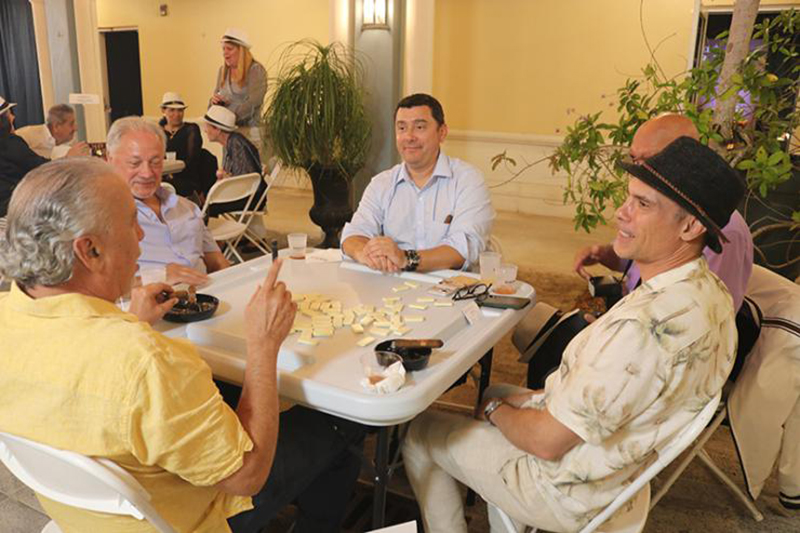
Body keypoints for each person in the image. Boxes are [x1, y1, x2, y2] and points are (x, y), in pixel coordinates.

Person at [0, 158, 366, 533]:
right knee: (339, 422)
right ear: (90, 250)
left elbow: (79, 367)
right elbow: (247, 475)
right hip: (189, 519)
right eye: (131, 221)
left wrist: (129, 322)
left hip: (78, 516)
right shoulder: (143, 361)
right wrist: (263, 343)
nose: (141, 236)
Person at [402, 136, 745, 533]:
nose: (621, 213)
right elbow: (618, 395)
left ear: (690, 226)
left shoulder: (643, 328)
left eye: (643, 204)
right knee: (496, 391)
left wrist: (498, 413)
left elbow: (548, 442)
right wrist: (520, 401)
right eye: (628, 198)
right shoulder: (712, 296)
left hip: (567, 489)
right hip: (626, 464)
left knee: (421, 431)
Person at [341, 93, 494, 273]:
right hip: (394, 286)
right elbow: (353, 234)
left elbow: (465, 248)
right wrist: (364, 253)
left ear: (442, 132)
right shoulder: (382, 183)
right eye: (402, 128)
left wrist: (406, 258)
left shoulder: (468, 180)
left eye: (419, 127)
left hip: (452, 288)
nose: (409, 137)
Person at [106, 116, 228, 286]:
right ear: (110, 160)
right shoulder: (101, 218)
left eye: (156, 162)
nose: (147, 173)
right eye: (135, 163)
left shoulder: (187, 207)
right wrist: (160, 276)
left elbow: (217, 261)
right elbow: (93, 289)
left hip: (204, 301)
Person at [0, 96, 88, 217]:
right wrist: (67, 159)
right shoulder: (14, 141)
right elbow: (39, 168)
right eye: (9, 114)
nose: (13, 117)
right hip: (13, 209)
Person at [210, 28, 268, 153]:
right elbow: (213, 101)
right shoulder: (222, 71)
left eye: (229, 49)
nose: (225, 53)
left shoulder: (256, 70)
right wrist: (213, 102)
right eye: (223, 49)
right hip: (227, 133)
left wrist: (229, 118)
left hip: (249, 133)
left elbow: (254, 102)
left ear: (241, 51)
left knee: (248, 171)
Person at [204, 104, 265, 215]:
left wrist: (226, 178)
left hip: (251, 198)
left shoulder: (236, 144)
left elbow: (244, 181)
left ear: (217, 129)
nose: (205, 130)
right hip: (249, 194)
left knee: (209, 205)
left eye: (207, 126)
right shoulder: (232, 141)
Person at [158, 92, 216, 200]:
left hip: (186, 176)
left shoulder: (191, 129)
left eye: (180, 110)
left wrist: (172, 174)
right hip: (162, 176)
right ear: (163, 111)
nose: (176, 114)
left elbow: (193, 160)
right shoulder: (157, 131)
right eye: (172, 110)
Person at [16, 103, 88, 159]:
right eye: (71, 124)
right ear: (56, 126)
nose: (75, 128)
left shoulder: (69, 142)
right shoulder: (26, 135)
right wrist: (67, 158)